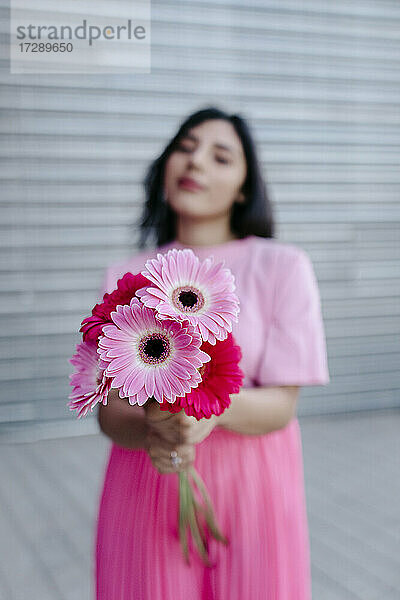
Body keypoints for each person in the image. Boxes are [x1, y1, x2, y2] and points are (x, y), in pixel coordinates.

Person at [95, 106, 330, 599]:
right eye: (184, 148)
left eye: (220, 156)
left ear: (245, 186)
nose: (195, 162)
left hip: (256, 492)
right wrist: (153, 427)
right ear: (164, 170)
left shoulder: (282, 266)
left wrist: (202, 405)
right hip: (146, 485)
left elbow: (282, 405)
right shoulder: (126, 276)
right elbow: (111, 413)